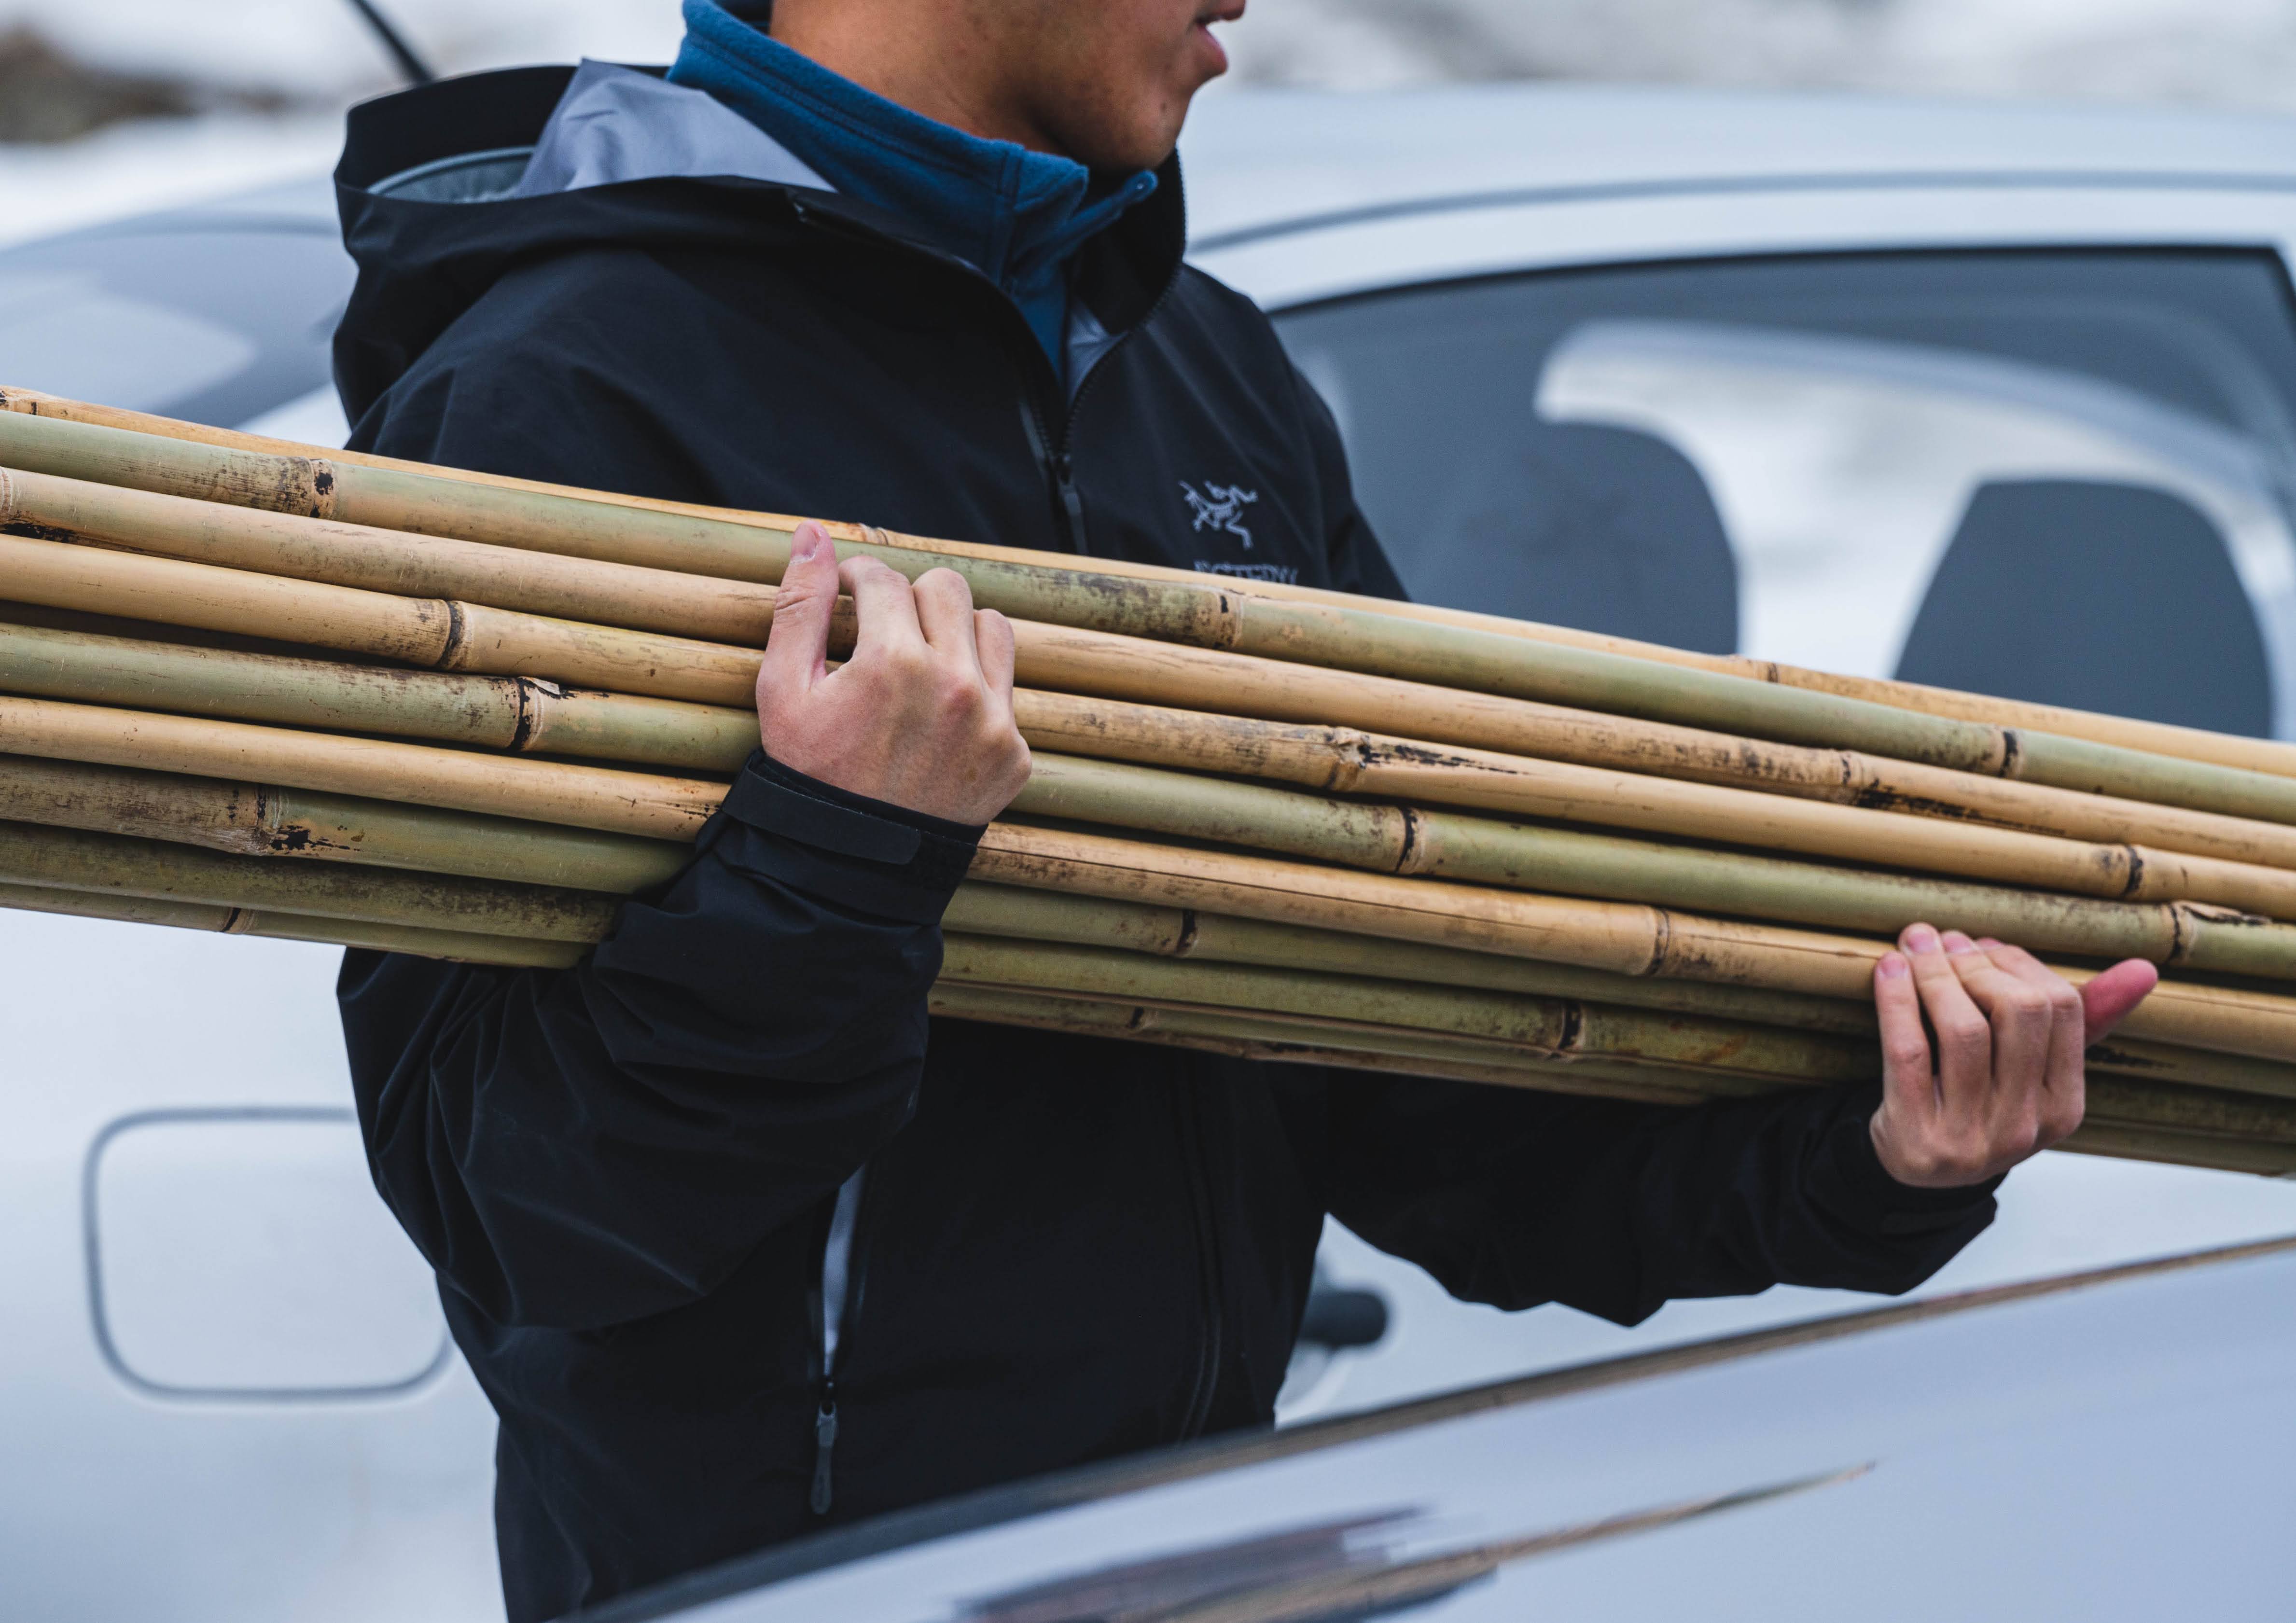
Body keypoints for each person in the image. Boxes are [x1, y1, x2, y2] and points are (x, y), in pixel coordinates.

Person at [329, 2, 2159, 1617]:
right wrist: (837, 850)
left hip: (1211, 1564)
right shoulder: (561, 391)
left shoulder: (1210, 380)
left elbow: (1432, 1112)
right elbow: (524, 1211)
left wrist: (1876, 1153)